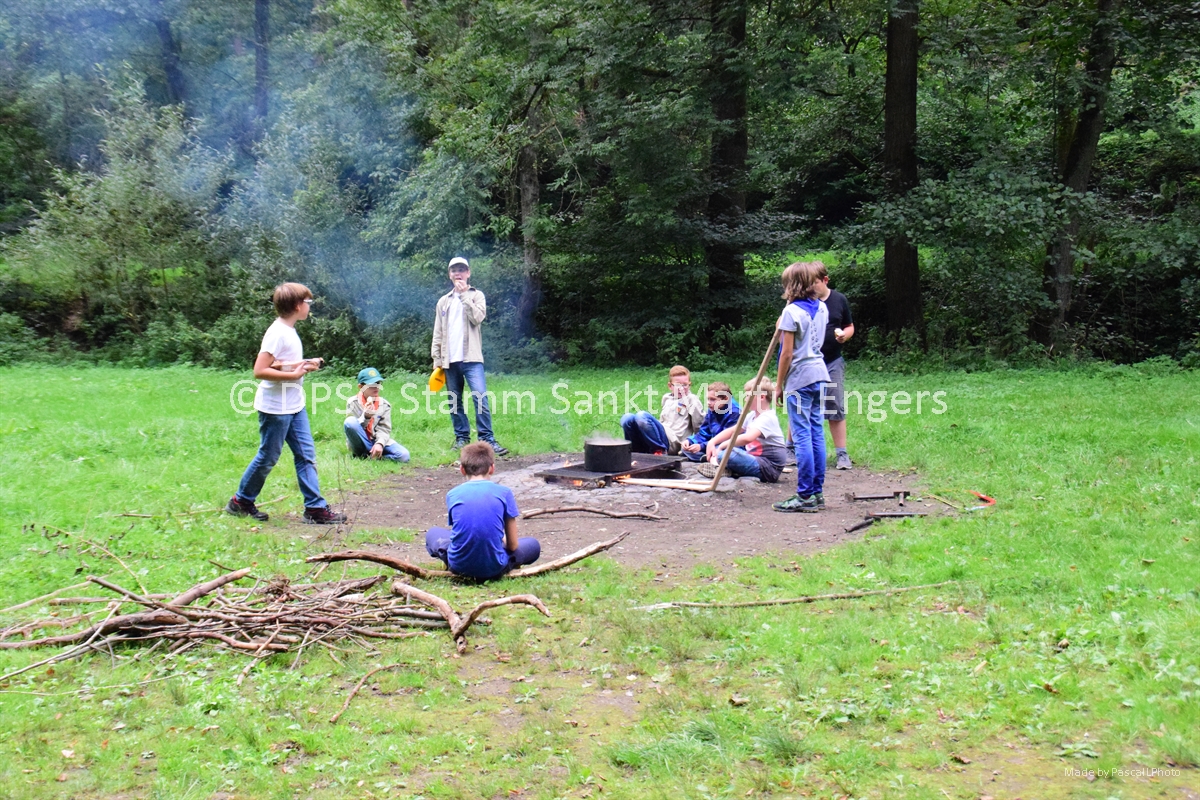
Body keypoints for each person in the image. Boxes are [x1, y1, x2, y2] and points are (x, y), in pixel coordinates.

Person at [227, 282, 346, 525]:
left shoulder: (289, 330)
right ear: (297, 305)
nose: (310, 306)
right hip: (275, 409)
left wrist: (303, 364)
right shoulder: (277, 333)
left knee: (306, 455)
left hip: (294, 405)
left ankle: (315, 509)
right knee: (268, 456)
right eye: (308, 302)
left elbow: (279, 364)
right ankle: (241, 502)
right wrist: (295, 375)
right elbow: (260, 370)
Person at [425, 442, 540, 580]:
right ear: (492, 468)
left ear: (462, 469)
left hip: (459, 566)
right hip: (495, 567)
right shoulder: (504, 493)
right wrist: (501, 539)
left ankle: (453, 560)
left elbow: (459, 532)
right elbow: (513, 545)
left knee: (433, 533)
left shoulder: (453, 494)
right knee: (533, 545)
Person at [431, 257, 509, 455]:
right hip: (449, 360)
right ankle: (461, 438)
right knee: (454, 401)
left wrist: (464, 295)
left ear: (468, 273)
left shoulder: (476, 295)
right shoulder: (443, 302)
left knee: (480, 398)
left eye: (461, 269)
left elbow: (477, 318)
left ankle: (487, 439)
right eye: (454, 270)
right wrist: (436, 359)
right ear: (449, 275)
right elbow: (438, 332)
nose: (458, 273)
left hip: (472, 359)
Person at [773, 262, 830, 513]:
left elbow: (787, 354)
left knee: (802, 436)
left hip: (800, 377)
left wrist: (778, 385)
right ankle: (816, 492)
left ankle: (805, 494)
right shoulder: (822, 307)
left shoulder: (792, 312)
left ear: (791, 284)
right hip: (820, 373)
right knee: (816, 432)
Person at [697, 377, 789, 482]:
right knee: (724, 451)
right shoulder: (751, 415)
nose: (745, 400)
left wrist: (722, 445)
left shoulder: (767, 418)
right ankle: (720, 466)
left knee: (728, 453)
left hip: (768, 468)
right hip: (754, 460)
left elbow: (747, 438)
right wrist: (712, 442)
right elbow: (733, 430)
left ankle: (719, 466)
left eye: (748, 396)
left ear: (762, 397)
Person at [814, 265, 855, 470]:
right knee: (802, 404)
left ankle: (842, 454)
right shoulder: (804, 301)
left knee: (835, 404)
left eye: (815, 282)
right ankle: (790, 448)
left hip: (832, 361)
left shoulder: (839, 300)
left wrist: (844, 336)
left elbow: (849, 325)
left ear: (825, 280)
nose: (811, 287)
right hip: (809, 362)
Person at [620, 365, 705, 455]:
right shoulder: (666, 398)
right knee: (627, 418)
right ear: (670, 386)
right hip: (661, 434)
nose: (681, 388)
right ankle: (635, 450)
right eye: (677, 385)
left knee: (642, 416)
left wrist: (699, 446)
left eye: (685, 385)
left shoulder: (692, 400)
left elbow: (701, 426)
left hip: (674, 441)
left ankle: (660, 450)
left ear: (689, 385)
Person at [343, 367, 410, 463]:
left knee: (404, 456)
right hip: (359, 442)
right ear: (361, 387)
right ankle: (366, 453)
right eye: (371, 384)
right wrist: (366, 417)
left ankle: (370, 457)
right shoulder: (353, 402)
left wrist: (380, 444)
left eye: (378, 383)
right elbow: (353, 429)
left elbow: (384, 429)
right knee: (349, 421)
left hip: (376, 439)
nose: (376, 387)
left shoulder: (384, 404)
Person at [680, 382, 740, 462]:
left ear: (725, 399)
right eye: (708, 399)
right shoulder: (713, 409)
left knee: (724, 452)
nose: (708, 402)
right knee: (686, 448)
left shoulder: (734, 412)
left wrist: (702, 446)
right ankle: (707, 457)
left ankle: (710, 457)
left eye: (713, 399)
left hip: (728, 445)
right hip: (713, 444)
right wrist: (690, 441)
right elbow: (704, 432)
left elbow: (727, 439)